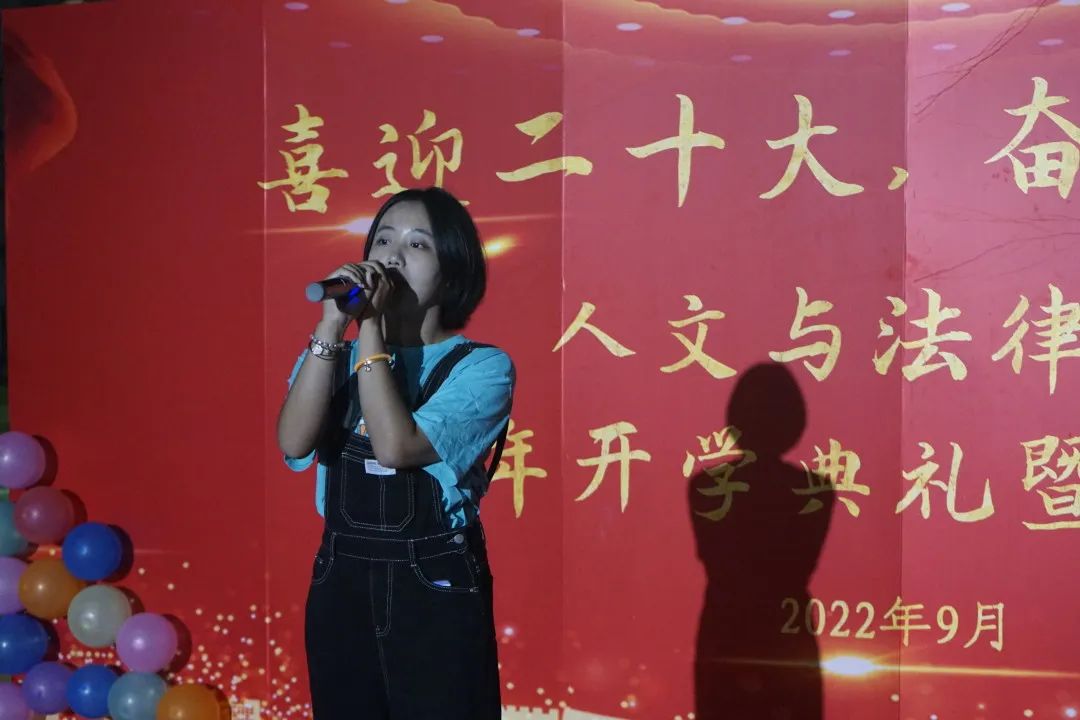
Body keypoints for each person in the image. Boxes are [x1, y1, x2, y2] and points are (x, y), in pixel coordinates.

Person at [276, 187, 513, 719]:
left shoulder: (482, 368)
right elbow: (293, 441)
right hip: (340, 583)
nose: (393, 256)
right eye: (383, 240)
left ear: (452, 273)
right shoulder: (333, 352)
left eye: (417, 244)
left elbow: (396, 446)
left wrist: (370, 326)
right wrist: (331, 326)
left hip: (432, 588)